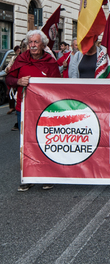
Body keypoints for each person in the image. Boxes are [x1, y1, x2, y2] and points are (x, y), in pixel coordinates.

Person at [6, 30, 60, 192]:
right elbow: (8, 78)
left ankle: (45, 175)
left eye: (36, 42)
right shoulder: (21, 59)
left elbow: (58, 85)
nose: (33, 45)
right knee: (26, 143)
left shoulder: (50, 62)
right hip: (24, 108)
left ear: (43, 44)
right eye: (30, 42)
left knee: (44, 141)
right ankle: (27, 177)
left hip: (44, 109)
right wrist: (18, 81)